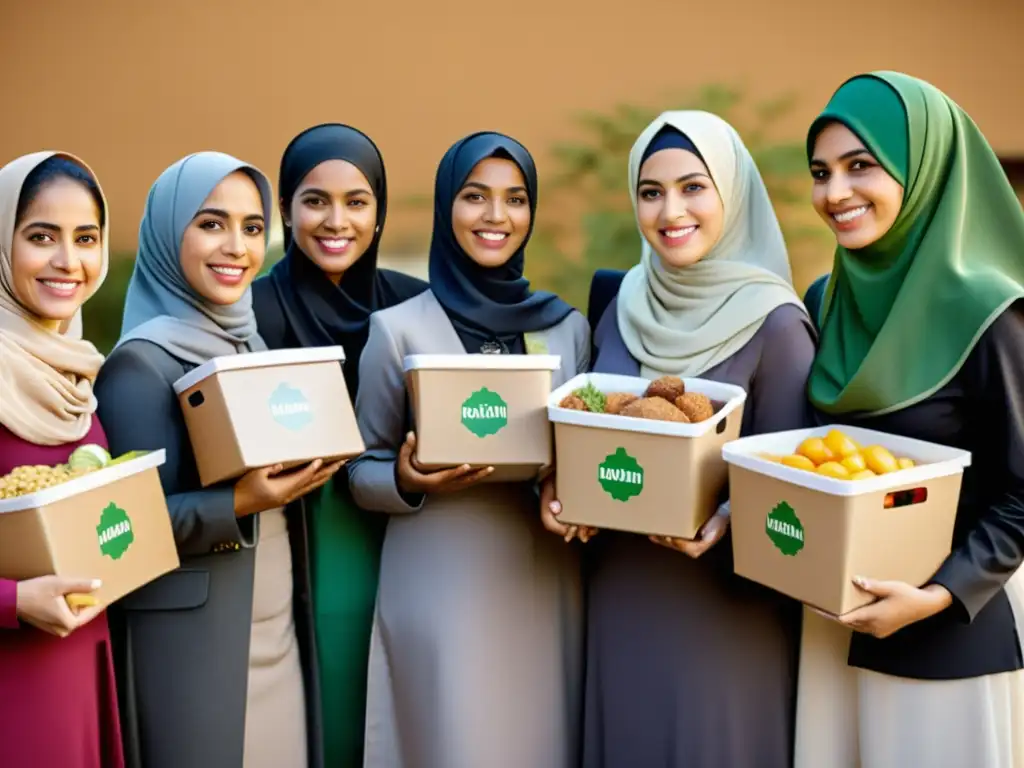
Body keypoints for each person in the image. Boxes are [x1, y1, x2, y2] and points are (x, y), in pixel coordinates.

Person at [550, 111, 815, 768]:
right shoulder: (620, 303)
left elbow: (794, 496)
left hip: (721, 613)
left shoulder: (777, 326)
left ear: (732, 193)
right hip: (618, 597)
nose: (670, 210)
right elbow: (589, 422)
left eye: (694, 187)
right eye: (650, 191)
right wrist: (558, 487)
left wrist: (726, 518)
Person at [795, 71, 1024, 768]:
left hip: (951, 627)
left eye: (862, 166)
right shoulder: (827, 298)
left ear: (923, 168)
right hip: (832, 627)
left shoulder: (991, 309)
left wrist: (934, 597)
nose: (835, 194)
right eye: (821, 172)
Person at [349, 131, 589, 768]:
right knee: (448, 738)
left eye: (515, 199)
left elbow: (581, 452)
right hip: (437, 579)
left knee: (543, 740)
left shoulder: (565, 327)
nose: (496, 216)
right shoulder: (396, 329)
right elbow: (360, 467)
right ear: (443, 208)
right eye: (474, 196)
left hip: (542, 572)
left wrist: (568, 493)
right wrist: (407, 477)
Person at [95, 152, 341, 768]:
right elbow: (120, 529)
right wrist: (239, 503)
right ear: (167, 231)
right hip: (195, 644)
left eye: (253, 228)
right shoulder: (139, 365)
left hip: (276, 625)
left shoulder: (252, 344)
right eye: (211, 224)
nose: (236, 247)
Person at [251, 123, 427, 765]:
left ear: (379, 213)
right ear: (285, 210)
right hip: (302, 538)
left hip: (407, 538)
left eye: (357, 202)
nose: (336, 221)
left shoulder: (416, 309)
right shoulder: (253, 314)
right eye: (314, 200)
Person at [0, 151, 123, 768]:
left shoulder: (73, 368)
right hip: (14, 686)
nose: (67, 261)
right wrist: (14, 603)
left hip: (79, 666)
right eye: (40, 237)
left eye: (86, 239)